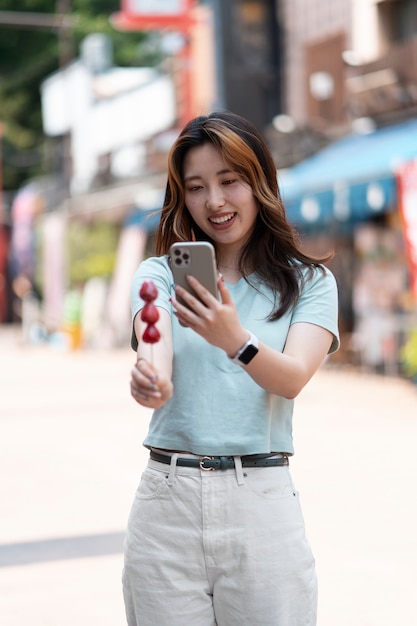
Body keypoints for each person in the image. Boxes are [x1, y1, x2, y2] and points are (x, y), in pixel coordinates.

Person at [124, 111, 339, 626]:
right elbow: (155, 351)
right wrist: (150, 382)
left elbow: (293, 377)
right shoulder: (158, 275)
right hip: (166, 505)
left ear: (259, 181)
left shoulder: (310, 283)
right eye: (196, 187)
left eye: (229, 180)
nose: (214, 202)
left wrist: (235, 340)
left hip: (261, 501)